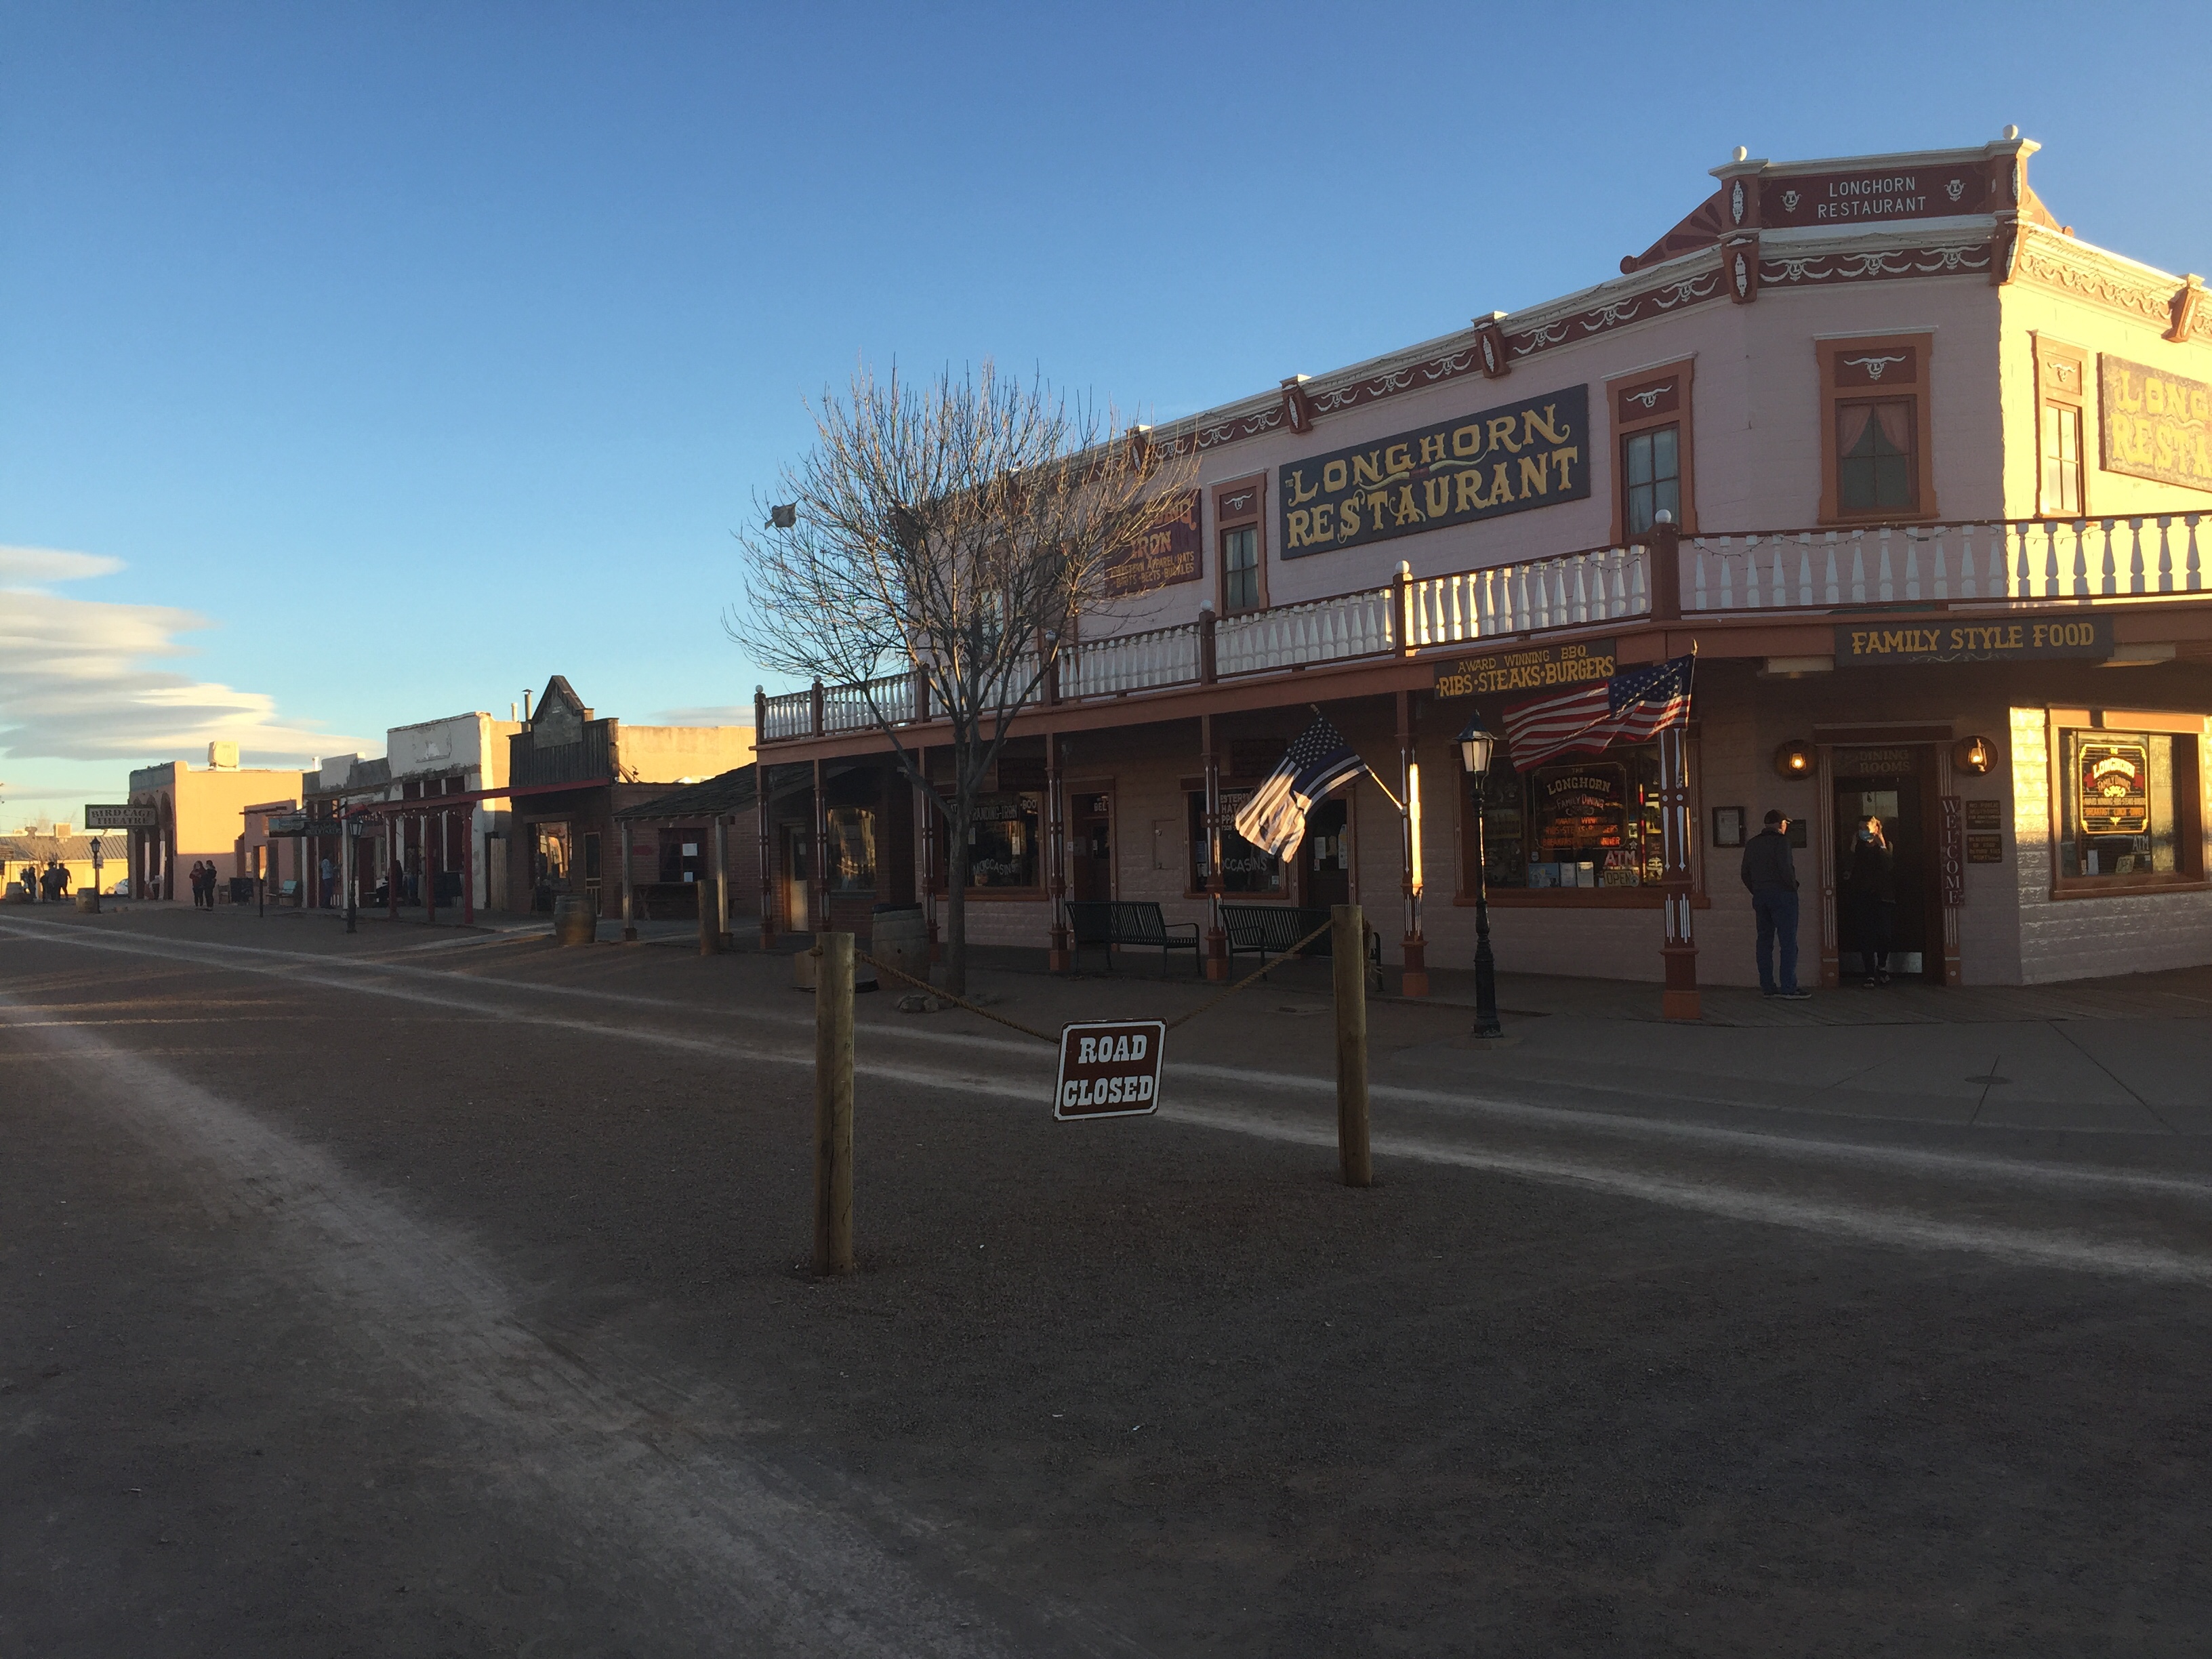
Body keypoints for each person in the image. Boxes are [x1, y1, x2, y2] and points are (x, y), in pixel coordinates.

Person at [1740, 808, 1810, 999]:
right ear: (1782, 824)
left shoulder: (1753, 844)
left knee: (1764, 941)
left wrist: (1757, 889)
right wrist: (1793, 887)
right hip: (1782, 895)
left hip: (1761, 895)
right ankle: (1788, 986)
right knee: (1788, 942)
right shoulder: (1782, 842)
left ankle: (1768, 986)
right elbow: (1785, 868)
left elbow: (1745, 873)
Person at [1848, 817, 1897, 987]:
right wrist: (1853, 847)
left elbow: (1889, 866)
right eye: (1860, 828)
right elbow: (1848, 868)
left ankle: (1882, 966)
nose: (1863, 831)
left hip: (1883, 898)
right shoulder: (1857, 848)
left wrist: (1882, 845)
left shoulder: (1887, 846)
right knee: (1866, 936)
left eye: (1866, 827)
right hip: (1863, 897)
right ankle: (1869, 973)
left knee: (1885, 935)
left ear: (1876, 828)